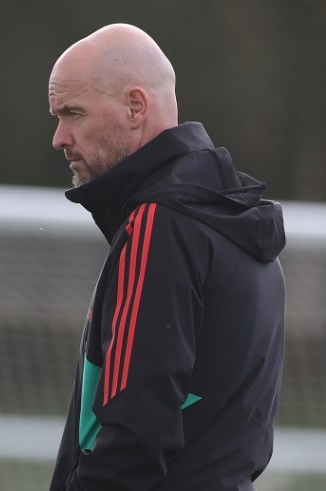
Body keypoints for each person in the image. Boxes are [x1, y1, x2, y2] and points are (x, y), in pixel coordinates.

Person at [48, 24, 286, 490]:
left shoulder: (160, 224)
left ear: (135, 107)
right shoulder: (236, 224)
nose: (59, 137)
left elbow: (133, 438)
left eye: (73, 113)